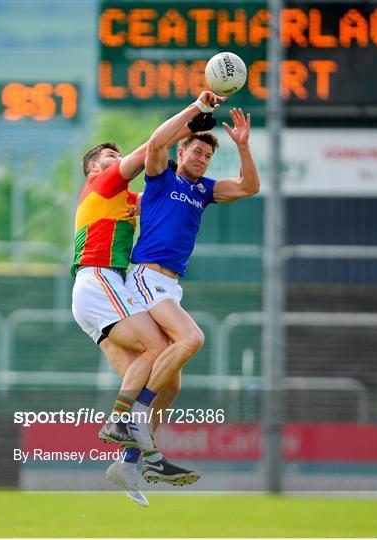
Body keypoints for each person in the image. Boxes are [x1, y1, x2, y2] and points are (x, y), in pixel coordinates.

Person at [70, 92, 220, 506]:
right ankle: (122, 423)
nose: (116, 160)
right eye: (108, 156)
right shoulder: (103, 182)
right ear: (92, 169)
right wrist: (196, 115)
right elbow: (150, 148)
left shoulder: (126, 201)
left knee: (164, 378)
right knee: (159, 348)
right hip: (99, 281)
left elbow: (164, 204)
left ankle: (135, 460)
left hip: (100, 294)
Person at [115, 105, 260, 488]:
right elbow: (157, 141)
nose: (201, 158)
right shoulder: (161, 178)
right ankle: (136, 413)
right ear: (182, 152)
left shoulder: (204, 190)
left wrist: (243, 147)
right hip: (146, 277)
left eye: (208, 155)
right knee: (193, 338)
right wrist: (194, 113)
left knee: (174, 385)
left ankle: (130, 462)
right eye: (196, 151)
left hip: (170, 286)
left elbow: (249, 187)